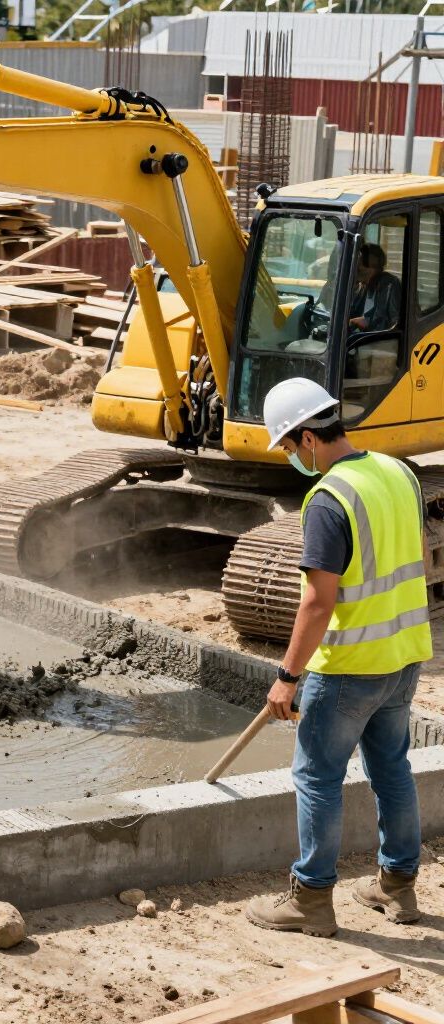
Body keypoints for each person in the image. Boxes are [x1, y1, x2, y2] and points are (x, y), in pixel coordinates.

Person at [246, 377, 431, 937]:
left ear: (307, 437)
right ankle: (398, 888)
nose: (290, 458)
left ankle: (310, 900)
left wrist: (287, 677)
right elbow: (419, 553)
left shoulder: (328, 499)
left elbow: (318, 601)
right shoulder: (399, 472)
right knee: (392, 768)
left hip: (350, 666)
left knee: (317, 778)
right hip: (404, 656)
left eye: (287, 447)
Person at [349, 242, 401, 333]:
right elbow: (351, 312)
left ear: (374, 267)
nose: (358, 273)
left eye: (361, 269)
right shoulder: (363, 287)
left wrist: (366, 322)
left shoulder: (390, 285)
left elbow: (395, 323)